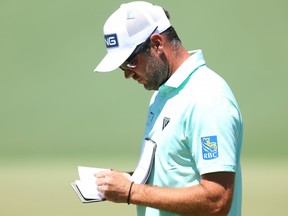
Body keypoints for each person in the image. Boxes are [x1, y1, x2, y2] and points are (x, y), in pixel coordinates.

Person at [94, 1, 243, 216]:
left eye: (130, 61)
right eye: (122, 66)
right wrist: (123, 182)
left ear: (156, 43)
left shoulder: (207, 97)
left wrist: (131, 191)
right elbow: (175, 174)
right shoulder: (162, 93)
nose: (127, 74)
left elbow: (217, 199)